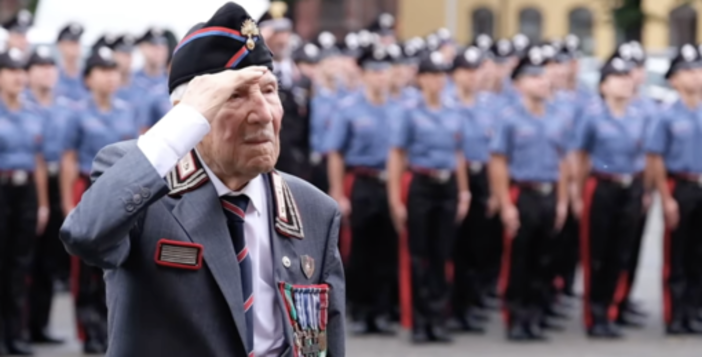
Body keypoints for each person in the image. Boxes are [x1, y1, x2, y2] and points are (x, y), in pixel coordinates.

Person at [60, 3, 346, 356]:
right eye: (235, 95)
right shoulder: (146, 190)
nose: (262, 114)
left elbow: (323, 345)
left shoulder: (314, 210)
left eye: (269, 90)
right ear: (190, 116)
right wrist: (181, 123)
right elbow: (86, 234)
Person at [60, 46, 139, 354]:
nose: (110, 77)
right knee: (84, 268)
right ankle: (87, 330)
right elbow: (68, 160)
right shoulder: (77, 113)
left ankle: (110, 329)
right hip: (87, 187)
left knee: (117, 263)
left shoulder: (125, 111)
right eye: (102, 72)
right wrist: (68, 204)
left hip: (119, 189)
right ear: (88, 78)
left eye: (113, 71)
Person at [387, 50, 470, 343]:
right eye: (432, 75)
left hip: (446, 185)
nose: (438, 81)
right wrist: (395, 199)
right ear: (421, 78)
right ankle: (419, 321)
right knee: (419, 254)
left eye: (441, 75)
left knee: (442, 254)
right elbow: (396, 155)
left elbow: (457, 153)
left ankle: (438, 318)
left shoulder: (453, 110)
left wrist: (463, 191)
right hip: (420, 184)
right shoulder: (409, 112)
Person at [490, 46, 569, 342]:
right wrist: (505, 204)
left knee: (544, 259)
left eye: (544, 77)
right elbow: (498, 162)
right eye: (533, 77)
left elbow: (563, 162)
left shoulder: (557, 117)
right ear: (519, 84)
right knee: (519, 260)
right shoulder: (509, 118)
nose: (542, 82)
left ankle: (535, 317)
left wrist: (561, 201)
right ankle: (516, 318)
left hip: (548, 194)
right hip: (522, 194)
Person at [572, 55, 647, 338]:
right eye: (618, 78)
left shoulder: (638, 115)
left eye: (628, 78)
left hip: (630, 186)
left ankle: (612, 311)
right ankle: (595, 314)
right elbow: (580, 156)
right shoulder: (592, 116)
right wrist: (577, 194)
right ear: (604, 85)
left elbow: (644, 154)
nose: (625, 84)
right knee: (597, 254)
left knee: (621, 252)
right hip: (601, 186)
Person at [326, 44, 397, 336]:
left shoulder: (399, 108)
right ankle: (359, 309)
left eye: (384, 71)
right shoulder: (349, 109)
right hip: (362, 181)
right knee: (358, 250)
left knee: (387, 248)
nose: (381, 77)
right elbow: (336, 153)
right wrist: (338, 191)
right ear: (364, 75)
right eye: (375, 72)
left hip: (389, 182)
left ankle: (382, 311)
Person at [645, 43, 702, 335]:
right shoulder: (666, 115)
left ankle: (694, 311)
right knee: (677, 254)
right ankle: (675, 314)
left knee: (699, 255)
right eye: (688, 71)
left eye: (698, 69)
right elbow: (655, 157)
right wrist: (665, 198)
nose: (696, 76)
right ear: (674, 79)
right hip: (679, 186)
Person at [0, 47, 49, 356]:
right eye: (11, 71)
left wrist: (43, 203)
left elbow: (39, 161)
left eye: (22, 71)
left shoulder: (32, 111)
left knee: (19, 266)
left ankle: (15, 335)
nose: (19, 77)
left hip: (26, 191)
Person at [24, 45, 73, 346]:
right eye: (40, 67)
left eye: (50, 66)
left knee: (50, 260)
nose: (47, 72)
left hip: (59, 179)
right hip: (30, 182)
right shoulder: (20, 104)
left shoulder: (65, 106)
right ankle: (18, 328)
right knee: (24, 258)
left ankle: (40, 325)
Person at [449, 45, 497, 333]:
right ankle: (451, 307)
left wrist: (492, 190)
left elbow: (493, 151)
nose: (472, 77)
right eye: (466, 71)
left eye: (476, 70)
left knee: (477, 245)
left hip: (480, 176)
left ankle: (468, 305)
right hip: (456, 175)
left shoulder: (487, 106)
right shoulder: (444, 102)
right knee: (453, 246)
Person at [261, 1, 312, 180]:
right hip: (266, 162)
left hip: (298, 165)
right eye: (276, 33)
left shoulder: (303, 80)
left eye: (285, 32)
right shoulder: (258, 75)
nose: (282, 39)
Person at [55, 22, 88, 102]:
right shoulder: (52, 75)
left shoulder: (87, 77)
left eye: (76, 43)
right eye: (70, 44)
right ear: (60, 46)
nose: (74, 48)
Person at [133, 27, 169, 94]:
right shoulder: (130, 81)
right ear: (142, 48)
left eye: (162, 45)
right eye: (153, 45)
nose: (159, 50)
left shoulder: (172, 80)